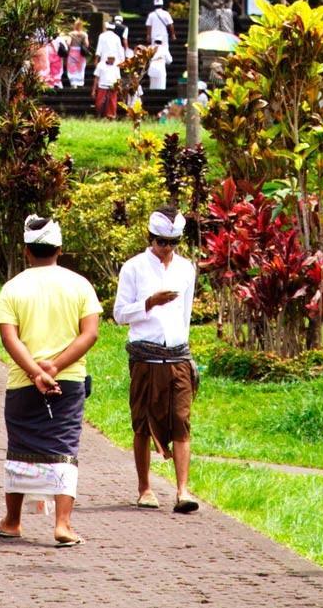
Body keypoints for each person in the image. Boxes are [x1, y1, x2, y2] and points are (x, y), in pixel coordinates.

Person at [0, 215, 100, 548]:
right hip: (68, 382)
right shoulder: (80, 285)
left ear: (26, 251)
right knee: (64, 447)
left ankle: (12, 521)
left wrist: (36, 373)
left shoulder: (13, 288)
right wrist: (55, 367)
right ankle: (63, 524)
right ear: (59, 249)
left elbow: (10, 339)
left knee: (19, 448)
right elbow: (89, 334)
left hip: (23, 382)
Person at [113, 209, 200, 513]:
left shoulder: (186, 269)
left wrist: (185, 349)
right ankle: (145, 488)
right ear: (150, 238)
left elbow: (186, 314)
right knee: (142, 424)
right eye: (162, 242)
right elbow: (119, 314)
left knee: (181, 422)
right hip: (145, 356)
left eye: (173, 242)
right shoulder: (134, 268)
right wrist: (149, 303)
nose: (167, 249)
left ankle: (183, 491)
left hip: (177, 355)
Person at [93, 19, 126, 118]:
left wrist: (96, 60)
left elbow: (99, 50)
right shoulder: (116, 37)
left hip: (104, 61)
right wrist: (122, 62)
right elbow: (120, 51)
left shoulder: (102, 36)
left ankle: (104, 113)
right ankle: (109, 113)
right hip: (114, 62)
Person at [64, 21, 88, 88]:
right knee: (80, 67)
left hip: (72, 52)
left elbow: (68, 43)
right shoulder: (84, 34)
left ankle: (73, 83)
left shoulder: (71, 34)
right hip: (81, 53)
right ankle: (80, 82)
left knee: (72, 67)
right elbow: (87, 44)